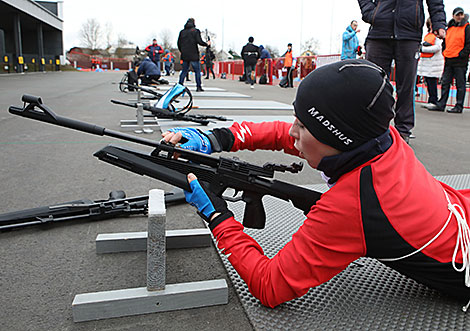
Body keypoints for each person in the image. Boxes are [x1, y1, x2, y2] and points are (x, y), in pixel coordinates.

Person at [162, 59, 470, 310]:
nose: (292, 130)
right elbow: (292, 134)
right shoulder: (379, 137)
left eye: (303, 124)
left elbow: (269, 286)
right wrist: (218, 138)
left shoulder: (353, 205)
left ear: (338, 138)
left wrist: (219, 219)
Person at [358, 0, 446, 143]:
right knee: (373, 84)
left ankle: (403, 130)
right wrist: (372, 13)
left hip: (409, 33)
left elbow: (436, 2)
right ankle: (372, 128)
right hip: (379, 32)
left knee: (406, 86)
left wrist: (439, 23)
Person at [426, 7, 470, 114]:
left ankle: (459, 106)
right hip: (449, 58)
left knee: (460, 84)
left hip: (460, 60)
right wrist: (445, 50)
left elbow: (468, 44)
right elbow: (445, 40)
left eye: (461, 14)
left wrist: (462, 54)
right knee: (445, 83)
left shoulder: (467, 27)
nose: (459, 17)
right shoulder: (449, 28)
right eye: (457, 15)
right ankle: (441, 104)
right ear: (453, 16)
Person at [417, 18, 445, 107]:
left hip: (434, 64)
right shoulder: (428, 35)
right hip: (427, 63)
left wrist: (423, 49)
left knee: (432, 83)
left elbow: (437, 48)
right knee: (429, 82)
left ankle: (433, 100)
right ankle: (431, 100)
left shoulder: (438, 37)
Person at [177, 18, 210, 92]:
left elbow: (178, 43)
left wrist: (182, 51)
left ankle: (179, 86)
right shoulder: (195, 31)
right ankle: (198, 87)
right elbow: (199, 41)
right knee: (197, 71)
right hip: (193, 54)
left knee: (184, 71)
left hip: (185, 54)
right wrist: (206, 44)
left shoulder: (182, 32)